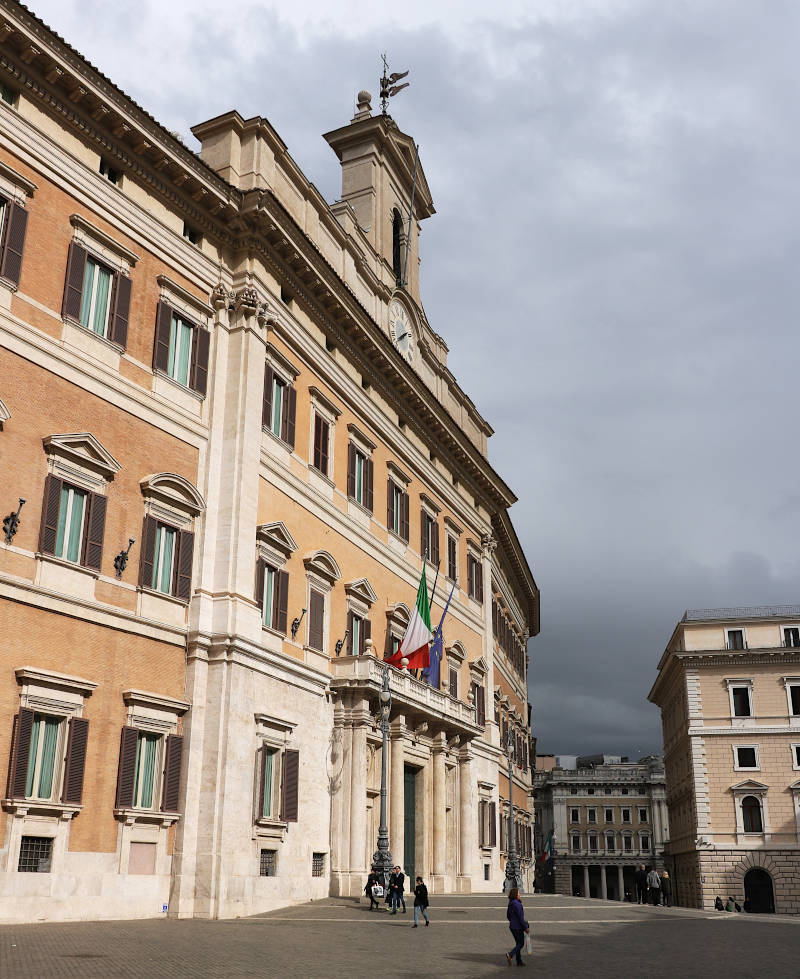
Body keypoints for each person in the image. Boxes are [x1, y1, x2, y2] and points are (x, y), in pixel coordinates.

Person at [505, 886, 529, 967]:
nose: (519, 895)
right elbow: (520, 917)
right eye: (518, 893)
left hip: (512, 926)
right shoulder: (517, 904)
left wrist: (512, 920)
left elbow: (508, 915)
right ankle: (510, 954)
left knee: (518, 944)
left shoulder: (511, 903)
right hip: (518, 927)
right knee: (521, 944)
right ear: (515, 895)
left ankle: (519, 961)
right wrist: (525, 927)